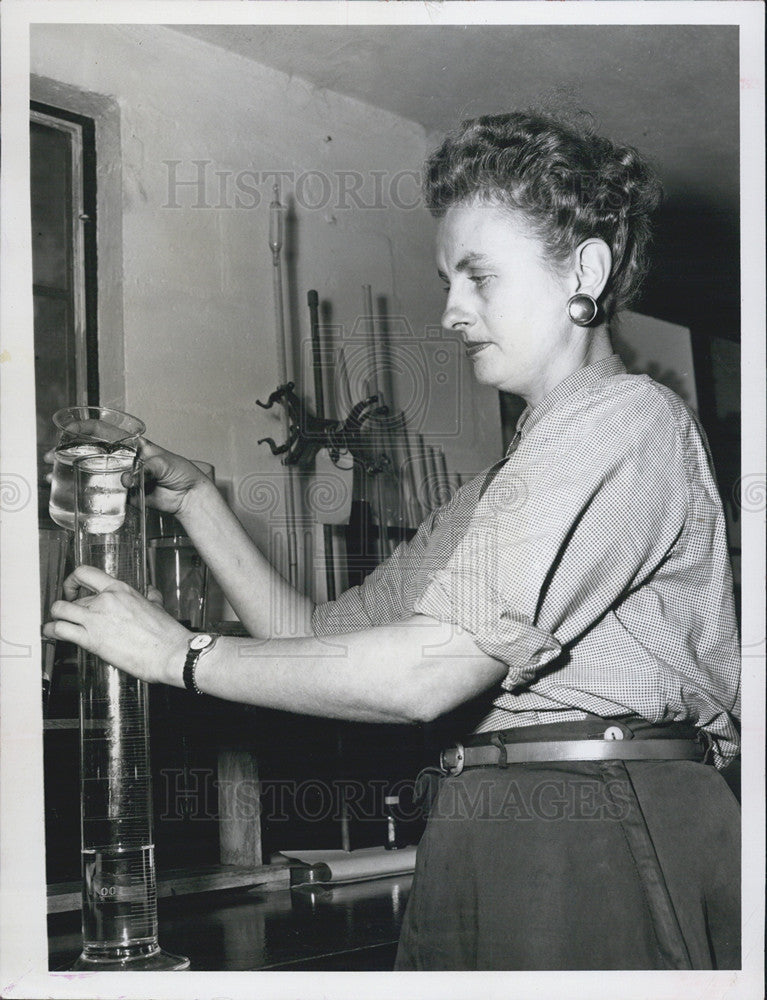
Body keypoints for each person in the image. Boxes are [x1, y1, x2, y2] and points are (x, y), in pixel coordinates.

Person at [46, 110, 740, 970]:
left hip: (593, 819)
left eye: (479, 277)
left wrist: (177, 654)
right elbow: (315, 643)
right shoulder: (495, 491)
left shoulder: (625, 419)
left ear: (583, 271)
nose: (451, 310)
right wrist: (200, 505)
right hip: (489, 813)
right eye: (448, 279)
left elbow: (429, 670)